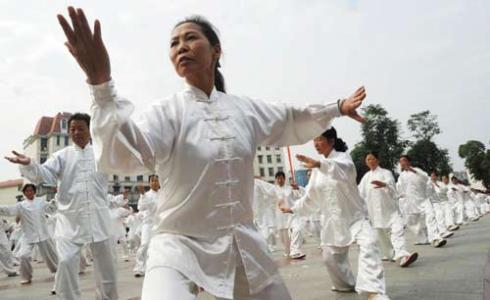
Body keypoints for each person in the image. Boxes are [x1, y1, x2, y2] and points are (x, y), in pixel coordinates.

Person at [56, 7, 366, 299]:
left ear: (215, 50)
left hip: (241, 241)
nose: (181, 46)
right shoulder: (166, 112)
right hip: (179, 243)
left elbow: (290, 117)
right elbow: (127, 152)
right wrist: (101, 84)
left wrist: (337, 108)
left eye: (191, 37)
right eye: (174, 43)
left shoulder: (244, 109)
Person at [5, 113, 118, 300]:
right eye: (72, 129)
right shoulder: (62, 156)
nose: (75, 132)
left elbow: (124, 162)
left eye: (80, 128)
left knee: (107, 268)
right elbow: (44, 174)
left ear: (90, 130)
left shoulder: (101, 153)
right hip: (70, 220)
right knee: (65, 262)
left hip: (99, 218)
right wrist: (30, 164)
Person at [281, 128, 389, 300]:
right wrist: (293, 208)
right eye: (314, 140)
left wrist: (319, 164)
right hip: (332, 221)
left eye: (319, 139)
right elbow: (311, 196)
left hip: (354, 217)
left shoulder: (342, 158)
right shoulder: (317, 168)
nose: (316, 144)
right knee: (330, 258)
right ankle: (345, 284)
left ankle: (372, 291)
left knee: (369, 243)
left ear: (331, 141)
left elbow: (344, 171)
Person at [358, 152, 418, 268]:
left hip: (390, 211)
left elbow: (391, 186)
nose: (370, 161)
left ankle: (403, 255)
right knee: (383, 240)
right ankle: (392, 255)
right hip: (375, 215)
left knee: (397, 231)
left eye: (372, 158)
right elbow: (360, 194)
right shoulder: (366, 177)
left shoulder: (386, 173)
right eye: (368, 160)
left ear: (377, 160)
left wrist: (384, 185)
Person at [0, 184, 58, 285]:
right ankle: (26, 277)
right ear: (24, 193)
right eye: (27, 191)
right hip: (28, 236)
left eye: (31, 190)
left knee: (51, 255)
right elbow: (9, 210)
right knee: (23, 256)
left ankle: (57, 271)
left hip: (43, 234)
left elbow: (51, 209)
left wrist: (55, 200)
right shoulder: (21, 205)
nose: (29, 192)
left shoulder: (41, 201)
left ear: (34, 192)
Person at [396, 155, 447, 248]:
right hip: (410, 202)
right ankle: (422, 239)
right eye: (401, 162)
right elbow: (399, 187)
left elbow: (426, 178)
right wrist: (400, 195)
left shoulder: (418, 171)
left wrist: (414, 171)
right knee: (412, 222)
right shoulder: (401, 176)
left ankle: (436, 238)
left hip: (423, 200)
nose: (402, 163)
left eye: (404, 161)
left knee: (430, 217)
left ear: (409, 162)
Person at [274, 171, 306, 259]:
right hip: (280, 217)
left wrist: (298, 188)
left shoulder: (290, 188)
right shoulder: (273, 190)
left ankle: (295, 251)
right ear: (276, 180)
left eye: (281, 178)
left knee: (296, 230)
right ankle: (288, 251)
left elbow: (303, 196)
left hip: (291, 214)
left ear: (284, 179)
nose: (280, 180)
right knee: (283, 237)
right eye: (278, 178)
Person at [133, 175, 160, 277]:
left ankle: (156, 266)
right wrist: (143, 194)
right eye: (152, 181)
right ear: (149, 183)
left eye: (156, 181)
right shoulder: (146, 195)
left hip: (160, 224)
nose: (154, 183)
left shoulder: (164, 194)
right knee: (145, 244)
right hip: (148, 224)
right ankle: (139, 267)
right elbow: (141, 207)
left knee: (159, 246)